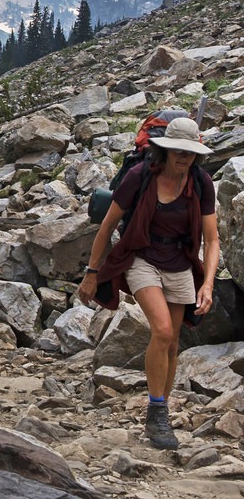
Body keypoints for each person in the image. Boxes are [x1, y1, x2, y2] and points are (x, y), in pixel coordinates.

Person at [78, 115, 219, 450]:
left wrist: (208, 284)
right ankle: (157, 411)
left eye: (190, 153)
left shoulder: (200, 183)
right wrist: (92, 272)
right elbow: (107, 226)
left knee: (171, 344)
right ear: (164, 150)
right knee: (164, 331)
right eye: (178, 151)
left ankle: (161, 412)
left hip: (180, 262)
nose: (184, 158)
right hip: (140, 257)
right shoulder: (140, 176)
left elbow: (212, 240)